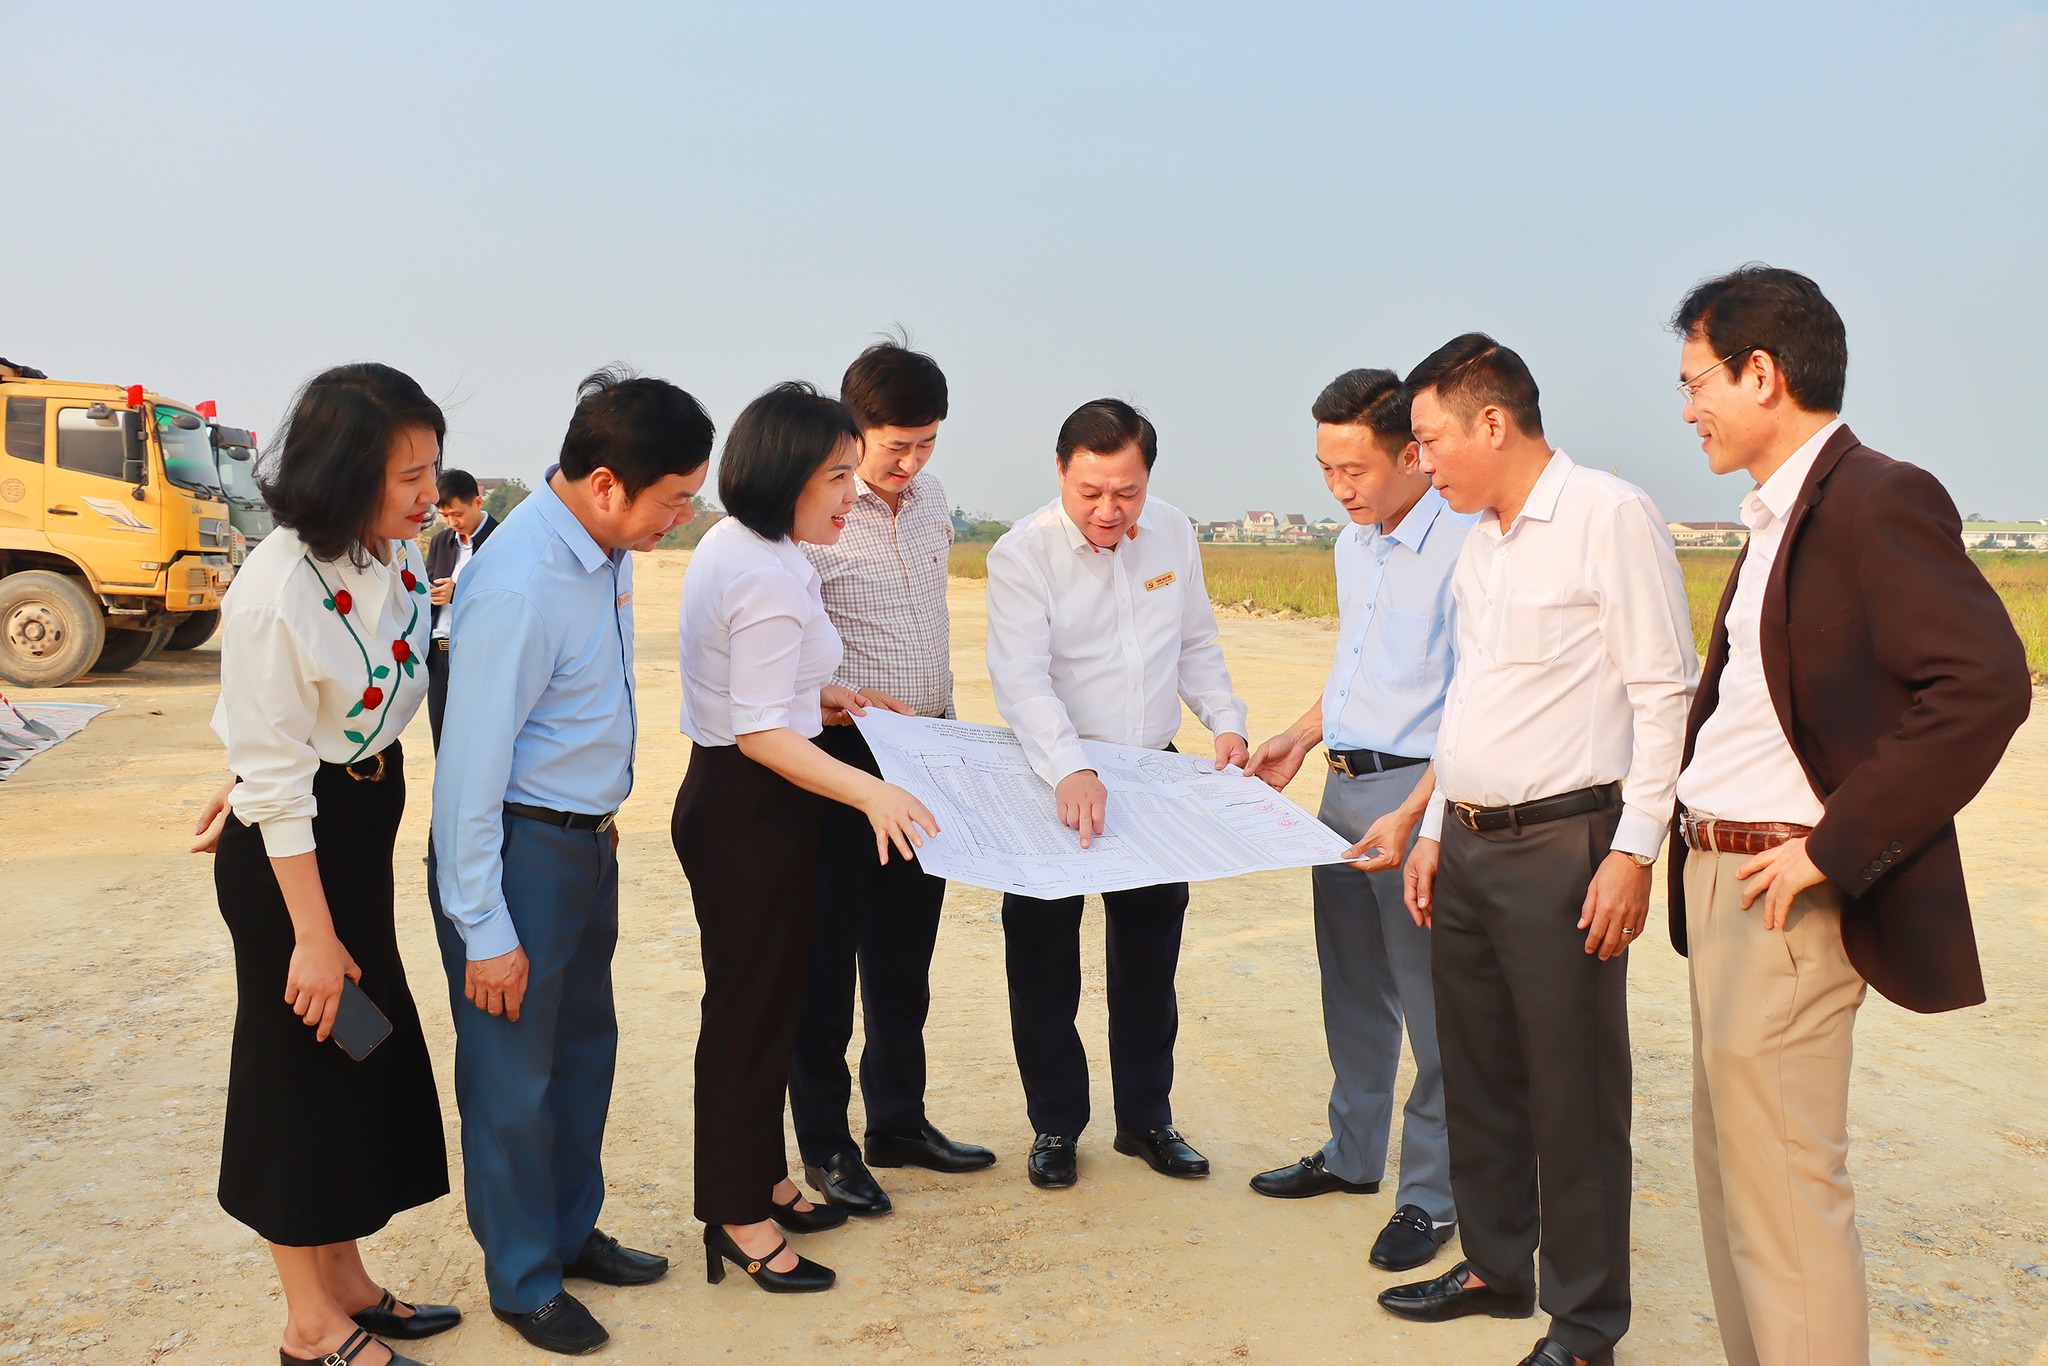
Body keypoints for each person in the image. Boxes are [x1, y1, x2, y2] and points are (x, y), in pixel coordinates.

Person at [1666, 266, 2029, 1366]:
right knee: (1736, 1181)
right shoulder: (1776, 513)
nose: (1686, 410)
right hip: (1721, 881)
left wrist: (1833, 846)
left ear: (1761, 374)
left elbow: (1982, 683)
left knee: (1782, 1191)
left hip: (1784, 891)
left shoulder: (1875, 496)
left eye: (1695, 383)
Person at [1382, 335, 1696, 1366]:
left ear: (1492, 422)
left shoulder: (1607, 514)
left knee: (1573, 1090)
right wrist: (1434, 829)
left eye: (1429, 440)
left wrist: (1634, 851)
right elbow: (1468, 700)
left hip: (1568, 844)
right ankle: (1494, 1266)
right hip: (1469, 845)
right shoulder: (1480, 543)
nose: (1422, 462)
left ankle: (1585, 1322)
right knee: (1477, 1072)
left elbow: (1664, 692)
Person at [429, 369, 712, 1356]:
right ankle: (522, 1278)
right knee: (511, 1079)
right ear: (604, 483)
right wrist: (483, 924)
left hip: (581, 842)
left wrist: (594, 811)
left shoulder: (602, 549)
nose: (682, 517)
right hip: (518, 857)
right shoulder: (521, 581)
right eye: (675, 498)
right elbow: (469, 770)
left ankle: (566, 1228)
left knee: (582, 1055)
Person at [192, 362, 458, 1366]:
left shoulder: (387, 555)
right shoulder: (274, 593)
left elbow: (309, 715)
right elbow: (276, 770)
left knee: (356, 1053)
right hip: (292, 866)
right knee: (299, 1076)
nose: (428, 495)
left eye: (431, 470)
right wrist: (311, 935)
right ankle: (308, 1323)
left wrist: (248, 766)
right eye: (408, 477)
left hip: (353, 833)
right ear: (345, 473)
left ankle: (345, 1278)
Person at [673, 381, 941, 1293]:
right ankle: (737, 1215)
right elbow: (758, 731)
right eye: (835, 476)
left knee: (769, 1004)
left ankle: (761, 1179)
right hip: (750, 803)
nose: (849, 494)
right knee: (749, 1015)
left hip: (756, 796)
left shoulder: (757, 546)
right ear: (786, 475)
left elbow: (761, 688)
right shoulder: (763, 572)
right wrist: (873, 792)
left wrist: (825, 696)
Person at [984, 398, 1248, 1190]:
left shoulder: (1172, 532)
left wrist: (1226, 723)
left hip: (1149, 770)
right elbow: (1021, 678)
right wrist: (1070, 766)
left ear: (1148, 480)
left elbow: (1195, 641)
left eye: (1126, 492)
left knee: (1148, 960)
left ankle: (1146, 1120)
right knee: (1042, 963)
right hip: (1052, 774)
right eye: (1090, 492)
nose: (1109, 509)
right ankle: (1056, 1125)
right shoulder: (1022, 553)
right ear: (1060, 473)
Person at [1241, 368, 1471, 1271]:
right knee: (1352, 986)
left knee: (1433, 1004)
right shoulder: (1353, 545)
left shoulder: (1466, 545)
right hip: (1341, 791)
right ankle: (1351, 1155)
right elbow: (1358, 671)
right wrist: (1301, 737)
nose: (1339, 488)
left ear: (1412, 455)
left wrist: (1423, 813)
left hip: (1420, 796)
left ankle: (1432, 1197)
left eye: (1355, 469)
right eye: (1325, 469)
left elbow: (1472, 701)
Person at [787, 339, 996, 1217]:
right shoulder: (817, 510)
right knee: (828, 957)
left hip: (929, 750)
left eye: (926, 444)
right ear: (853, 430)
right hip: (844, 758)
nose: (910, 464)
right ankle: (827, 1144)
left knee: (906, 953)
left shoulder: (933, 500)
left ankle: (898, 1120)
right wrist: (828, 702)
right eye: (895, 446)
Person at [422, 469, 496, 749]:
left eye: (457, 514)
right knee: (442, 740)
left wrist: (458, 593)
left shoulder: (501, 540)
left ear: (478, 502)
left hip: (481, 653)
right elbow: (427, 587)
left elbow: (506, 598)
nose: (452, 522)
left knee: (480, 739)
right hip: (439, 653)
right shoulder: (440, 542)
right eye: (445, 515)